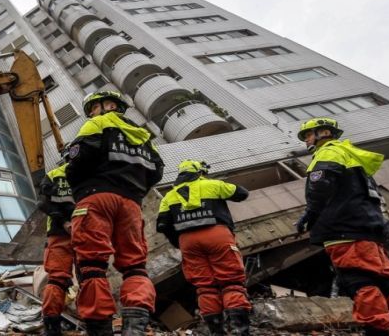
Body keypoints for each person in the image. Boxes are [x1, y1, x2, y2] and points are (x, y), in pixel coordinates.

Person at [295, 117, 389, 336]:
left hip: (344, 231)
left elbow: (319, 187)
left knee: (358, 281)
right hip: (368, 231)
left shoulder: (328, 152)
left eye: (308, 135)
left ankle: (377, 329)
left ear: (324, 133)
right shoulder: (352, 156)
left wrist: (309, 214)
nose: (306, 140)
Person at [66, 90, 164, 336]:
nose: (91, 113)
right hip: (131, 204)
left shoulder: (97, 124)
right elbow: (157, 171)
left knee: (92, 265)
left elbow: (78, 163)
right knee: (135, 266)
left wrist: (79, 184)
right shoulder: (142, 135)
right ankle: (135, 328)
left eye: (93, 107)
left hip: (96, 198)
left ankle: (101, 330)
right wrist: (134, 190)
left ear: (107, 106)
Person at [156, 160, 251, 336]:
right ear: (199, 172)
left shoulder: (169, 196)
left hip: (188, 242)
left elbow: (162, 225)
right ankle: (240, 331)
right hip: (217, 234)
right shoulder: (213, 185)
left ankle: (217, 332)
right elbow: (242, 193)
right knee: (231, 282)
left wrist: (179, 242)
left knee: (205, 287)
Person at [38, 146, 76, 336]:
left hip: (59, 232)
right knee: (92, 275)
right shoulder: (89, 176)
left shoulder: (54, 175)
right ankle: (96, 324)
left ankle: (52, 328)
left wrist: (63, 222)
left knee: (57, 279)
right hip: (83, 232)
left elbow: (43, 203)